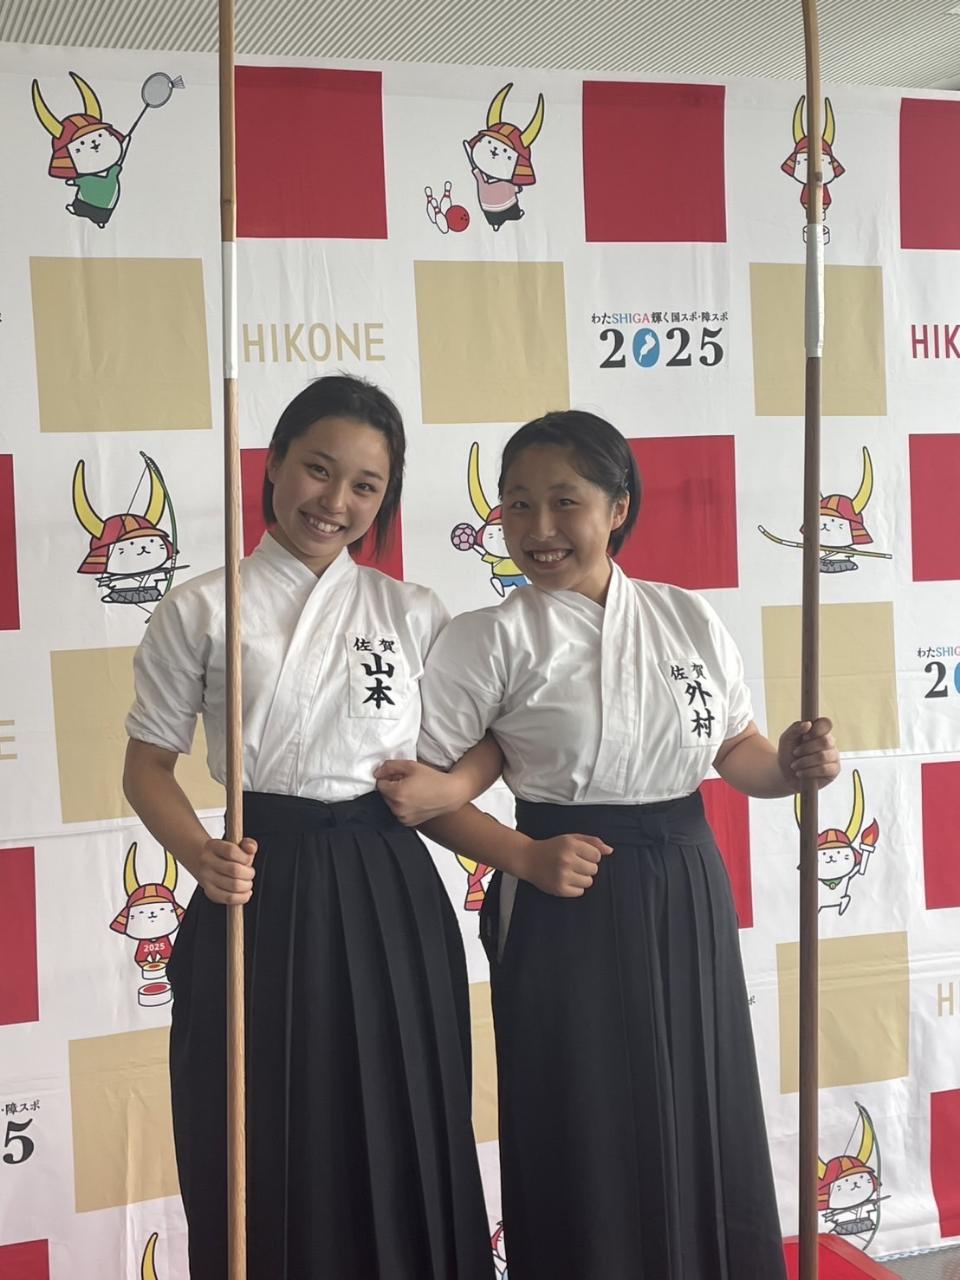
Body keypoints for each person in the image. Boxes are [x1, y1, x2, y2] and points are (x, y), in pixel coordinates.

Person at [376, 409, 841, 1280]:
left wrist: (789, 767)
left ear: (617, 507)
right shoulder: (487, 636)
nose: (539, 527)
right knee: (580, 1115)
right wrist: (523, 857)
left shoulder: (686, 616)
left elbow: (736, 750)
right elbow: (423, 797)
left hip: (686, 881)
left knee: (701, 1093)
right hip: (564, 889)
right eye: (518, 504)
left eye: (565, 501)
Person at [122, 375, 497, 1280]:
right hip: (257, 881)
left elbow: (488, 744)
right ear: (274, 466)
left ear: (385, 498)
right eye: (318, 470)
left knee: (406, 1118)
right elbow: (147, 768)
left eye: (365, 485)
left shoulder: (412, 611)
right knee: (260, 1125)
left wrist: (450, 786)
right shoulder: (202, 607)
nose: (335, 502)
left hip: (389, 886)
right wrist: (200, 857)